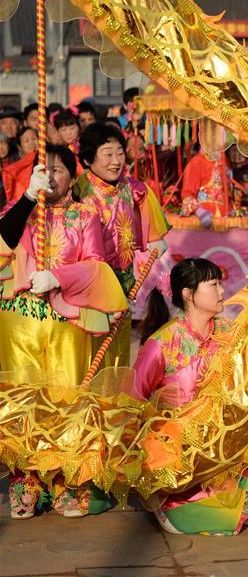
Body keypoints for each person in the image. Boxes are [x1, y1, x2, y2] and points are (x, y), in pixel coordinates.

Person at [1, 145, 127, 519]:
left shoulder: (86, 216)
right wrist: (26, 197)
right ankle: (26, 479)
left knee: (68, 397)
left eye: (59, 171)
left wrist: (58, 275)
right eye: (45, 170)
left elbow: (96, 267)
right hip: (20, 322)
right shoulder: (19, 210)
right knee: (21, 399)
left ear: (73, 177)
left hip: (65, 323)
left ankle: (68, 480)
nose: (51, 177)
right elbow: (3, 240)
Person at [126, 258, 248, 534]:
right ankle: (169, 498)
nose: (222, 291)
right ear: (188, 294)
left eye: (220, 284)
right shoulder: (162, 344)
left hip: (223, 436)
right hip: (181, 447)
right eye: (213, 285)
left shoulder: (229, 333)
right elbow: (132, 399)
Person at [75, 123, 169, 366]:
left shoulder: (131, 187)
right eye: (107, 154)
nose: (116, 160)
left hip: (125, 282)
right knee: (92, 348)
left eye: (119, 152)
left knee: (119, 347)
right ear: (87, 160)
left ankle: (116, 396)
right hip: (91, 285)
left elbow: (147, 208)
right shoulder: (77, 191)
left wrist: (155, 238)